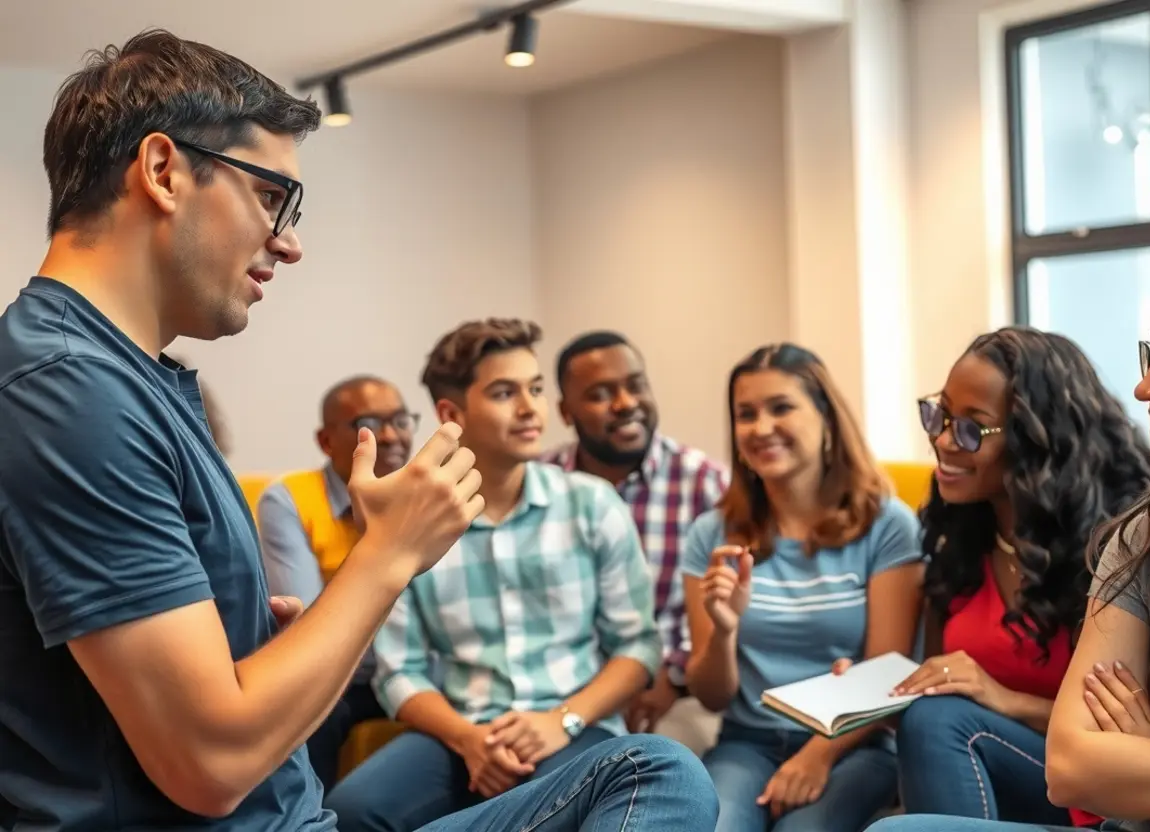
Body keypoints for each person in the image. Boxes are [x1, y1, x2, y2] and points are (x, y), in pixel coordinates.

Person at [0, 30, 717, 832]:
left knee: (652, 769)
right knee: (654, 778)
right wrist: (389, 553)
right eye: (272, 196)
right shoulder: (68, 393)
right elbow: (209, 765)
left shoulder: (120, 379)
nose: (290, 242)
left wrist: (276, 650)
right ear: (163, 171)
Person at [866, 237, 1150, 832]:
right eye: (939, 418)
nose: (1145, 387)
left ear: (1033, 438)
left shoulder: (1100, 526)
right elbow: (1072, 766)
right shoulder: (1149, 533)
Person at [326, 319, 667, 831]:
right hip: (461, 731)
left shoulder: (592, 504)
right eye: (506, 393)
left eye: (535, 389)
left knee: (563, 800)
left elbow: (637, 648)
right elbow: (400, 671)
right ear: (451, 413)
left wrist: (561, 721)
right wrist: (467, 739)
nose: (531, 409)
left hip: (575, 727)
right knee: (354, 810)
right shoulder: (413, 524)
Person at [888, 328, 1150, 826]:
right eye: (937, 415)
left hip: (1090, 794)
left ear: (1037, 440)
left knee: (940, 723)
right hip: (980, 779)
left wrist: (1003, 700)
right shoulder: (962, 540)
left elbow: (1127, 732)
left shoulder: (1117, 548)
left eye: (972, 428)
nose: (943, 440)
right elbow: (936, 682)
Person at [682, 343, 925, 832]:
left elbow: (887, 676)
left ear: (826, 418)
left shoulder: (887, 525)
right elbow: (710, 695)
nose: (761, 427)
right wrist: (725, 630)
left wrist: (816, 757)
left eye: (781, 407)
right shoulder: (712, 534)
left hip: (855, 746)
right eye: (745, 414)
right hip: (746, 742)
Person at [546, 330, 728, 749]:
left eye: (636, 384)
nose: (626, 403)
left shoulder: (705, 482)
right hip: (566, 695)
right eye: (600, 394)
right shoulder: (544, 482)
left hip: (675, 695)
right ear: (565, 411)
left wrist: (672, 672)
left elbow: (724, 604)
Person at [256, 375, 417, 788]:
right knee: (308, 714)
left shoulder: (426, 496)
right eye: (369, 423)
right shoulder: (291, 498)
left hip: (421, 667)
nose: (392, 435)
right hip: (347, 675)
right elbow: (306, 622)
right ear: (326, 441)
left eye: (401, 420)